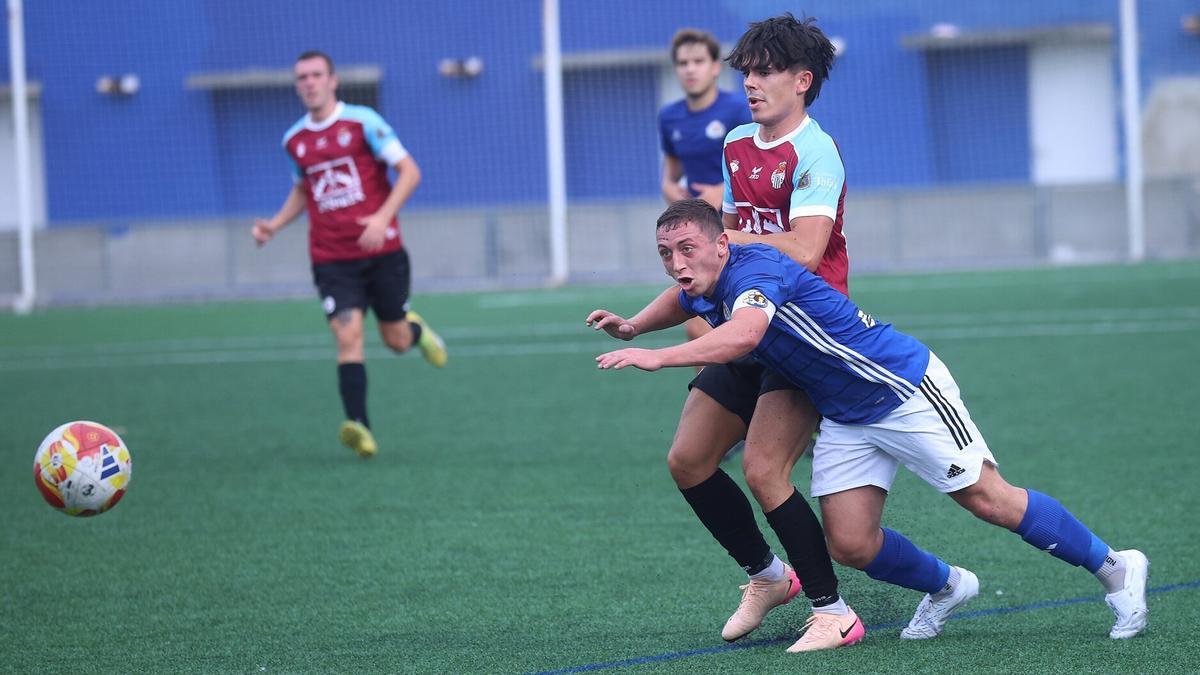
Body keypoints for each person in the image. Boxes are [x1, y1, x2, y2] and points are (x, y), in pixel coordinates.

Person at [589, 199, 1151, 646]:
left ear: (723, 243)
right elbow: (681, 300)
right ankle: (947, 586)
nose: (677, 264)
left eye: (687, 249)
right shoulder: (704, 278)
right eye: (666, 253)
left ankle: (1116, 567)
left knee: (989, 500)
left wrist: (657, 358)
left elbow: (746, 335)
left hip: (902, 388)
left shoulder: (754, 270)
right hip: (844, 413)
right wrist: (634, 327)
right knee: (851, 544)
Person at [650, 15, 859, 652]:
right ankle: (768, 577)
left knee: (767, 470)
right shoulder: (738, 140)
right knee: (687, 460)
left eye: (765, 70)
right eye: (746, 70)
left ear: (802, 80)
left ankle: (834, 613)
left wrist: (730, 237)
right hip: (748, 318)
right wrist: (668, 309)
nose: (751, 82)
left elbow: (802, 248)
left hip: (804, 333)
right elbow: (727, 250)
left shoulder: (818, 151)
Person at [253, 50, 447, 459]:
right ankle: (360, 427)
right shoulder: (294, 141)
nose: (308, 82)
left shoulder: (363, 123)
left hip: (383, 251)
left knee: (394, 340)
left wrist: (381, 218)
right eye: (301, 77)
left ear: (333, 80)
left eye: (315, 75)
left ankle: (416, 331)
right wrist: (273, 224)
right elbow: (304, 191)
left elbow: (410, 171)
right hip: (331, 257)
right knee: (348, 336)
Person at [659, 28, 752, 350]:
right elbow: (670, 177)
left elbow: (756, 166)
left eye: (698, 61)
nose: (690, 69)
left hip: (736, 228)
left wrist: (720, 192)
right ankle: (714, 397)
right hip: (695, 235)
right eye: (683, 63)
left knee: (739, 325)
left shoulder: (739, 110)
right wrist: (676, 197)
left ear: (715, 67)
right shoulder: (670, 117)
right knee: (699, 329)